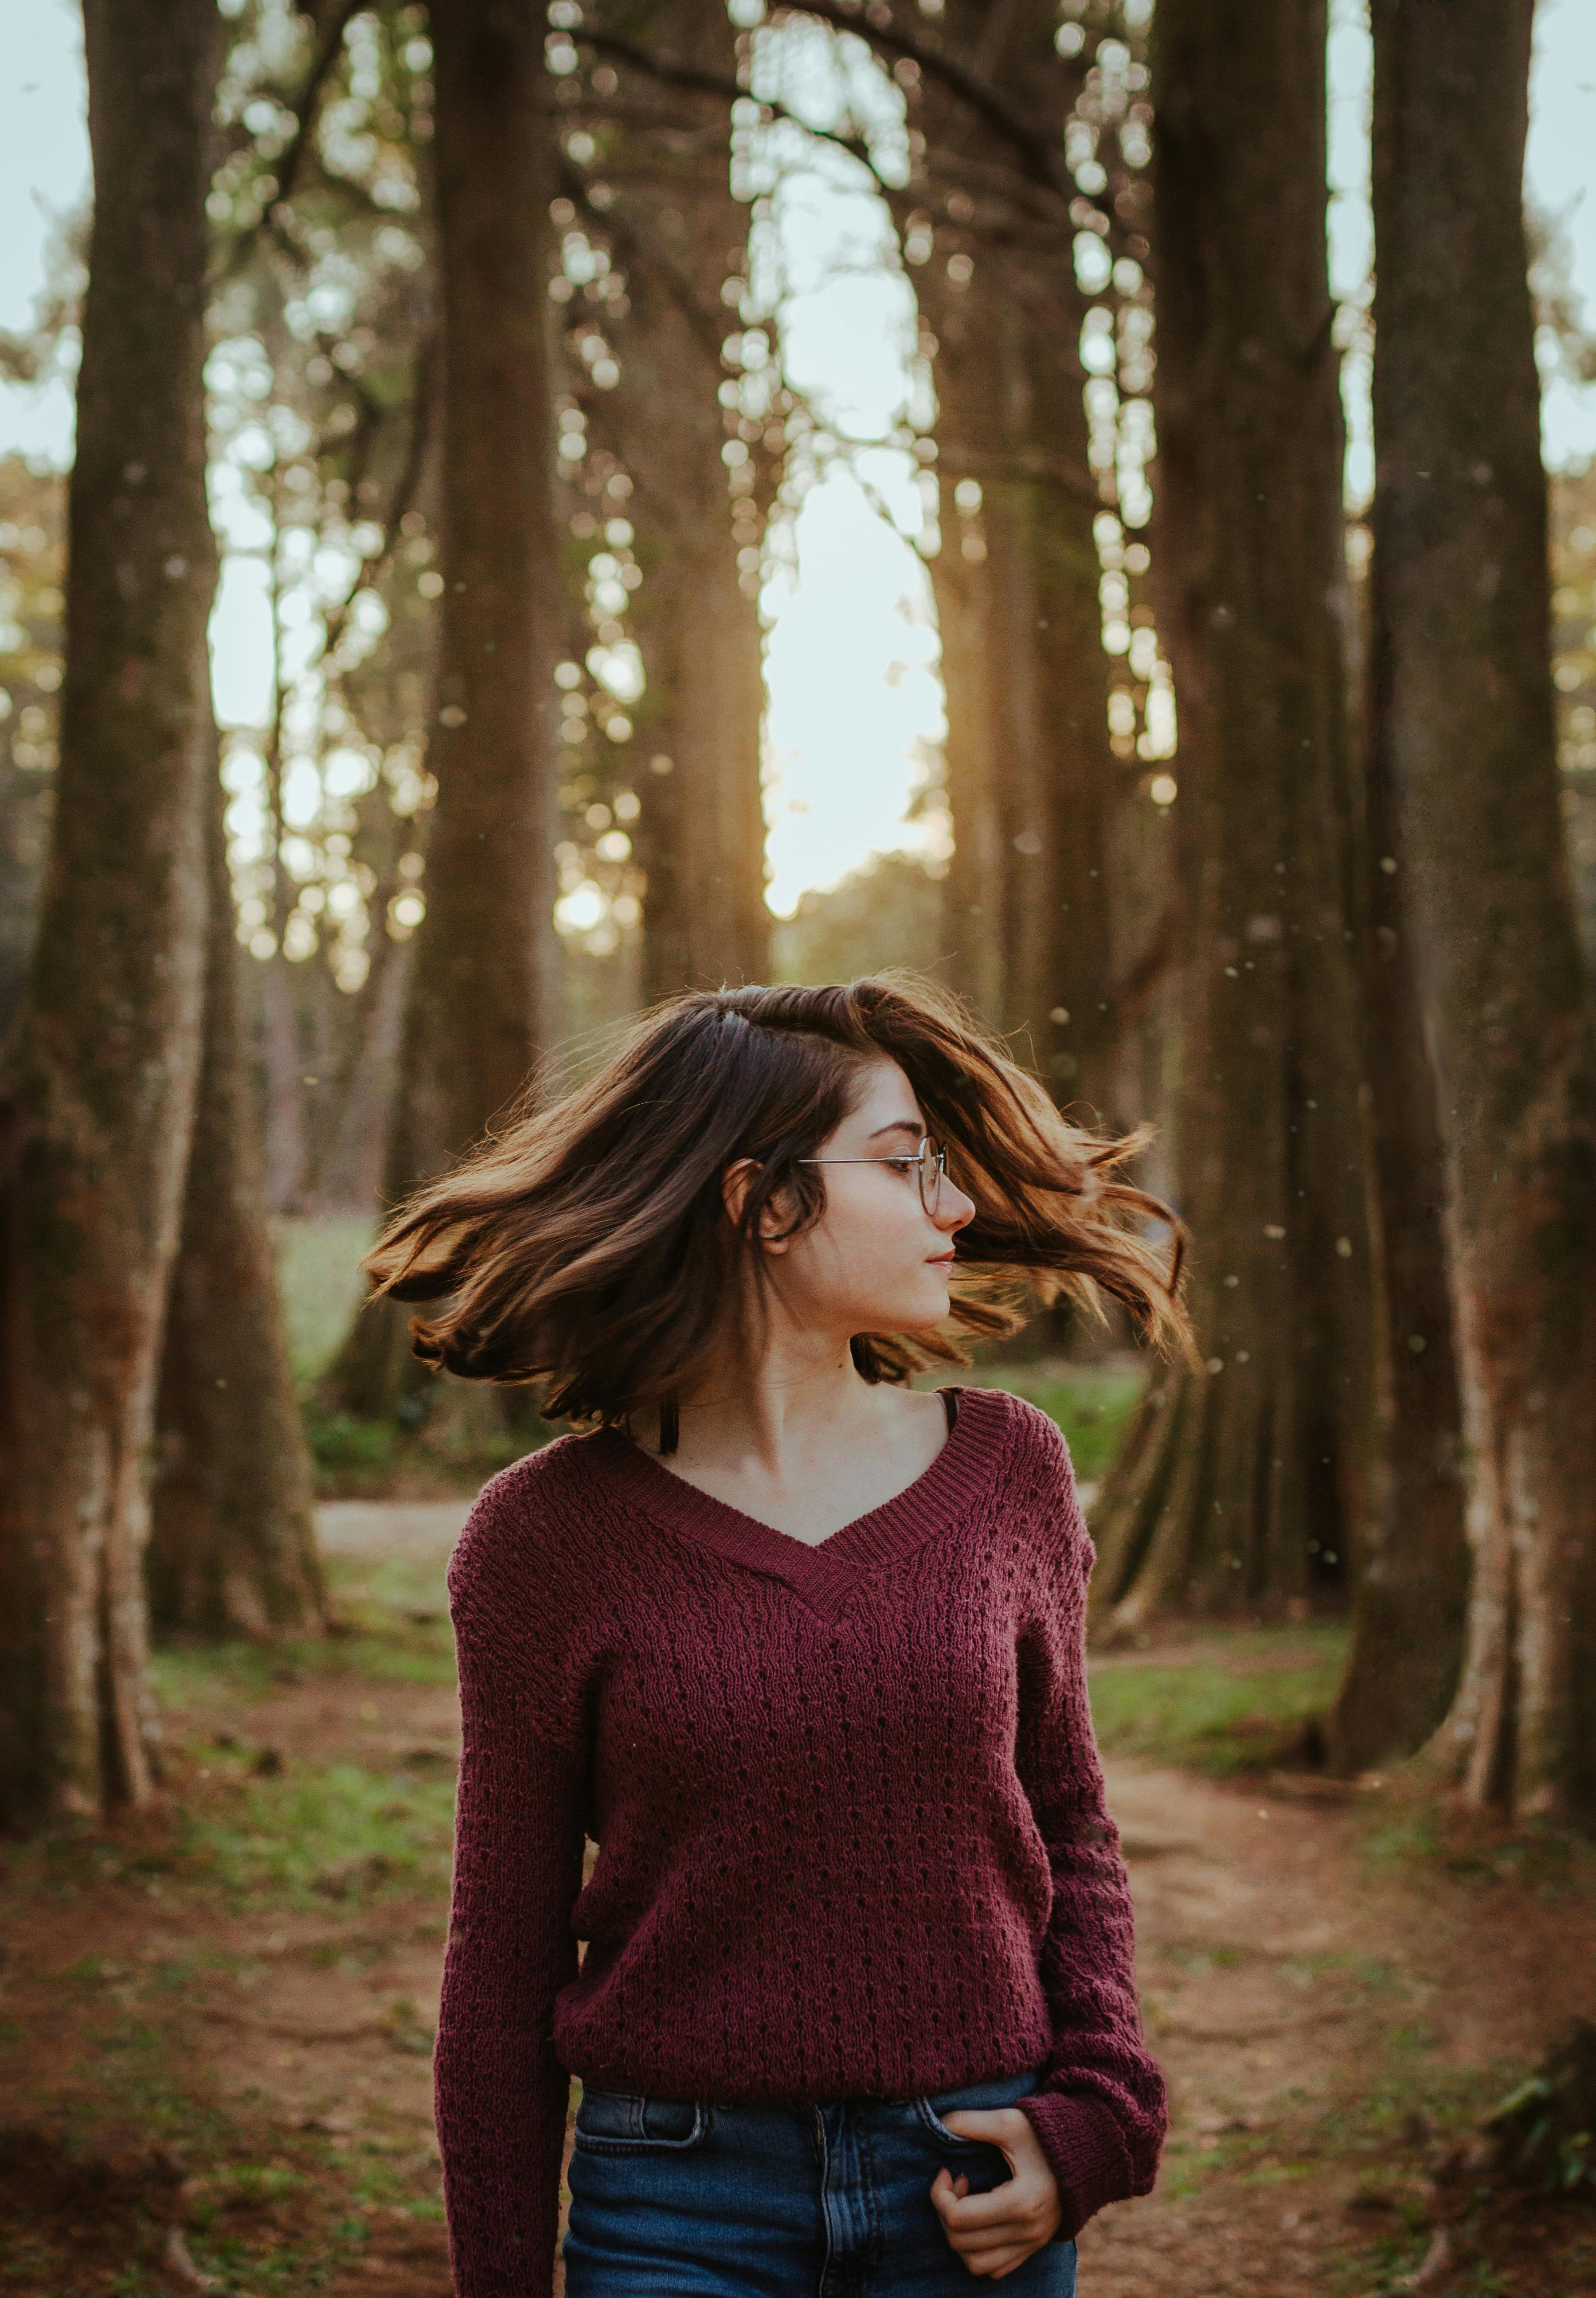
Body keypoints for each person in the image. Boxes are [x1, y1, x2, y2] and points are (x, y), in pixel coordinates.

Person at [362, 976, 1189, 2298]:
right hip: (673, 2205)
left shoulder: (1010, 1471)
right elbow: (503, 1962)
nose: (958, 1206)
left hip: (973, 2182)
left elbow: (1071, 1827)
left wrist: (1094, 2116)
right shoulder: (542, 1540)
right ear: (761, 1201)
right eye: (906, 1163)